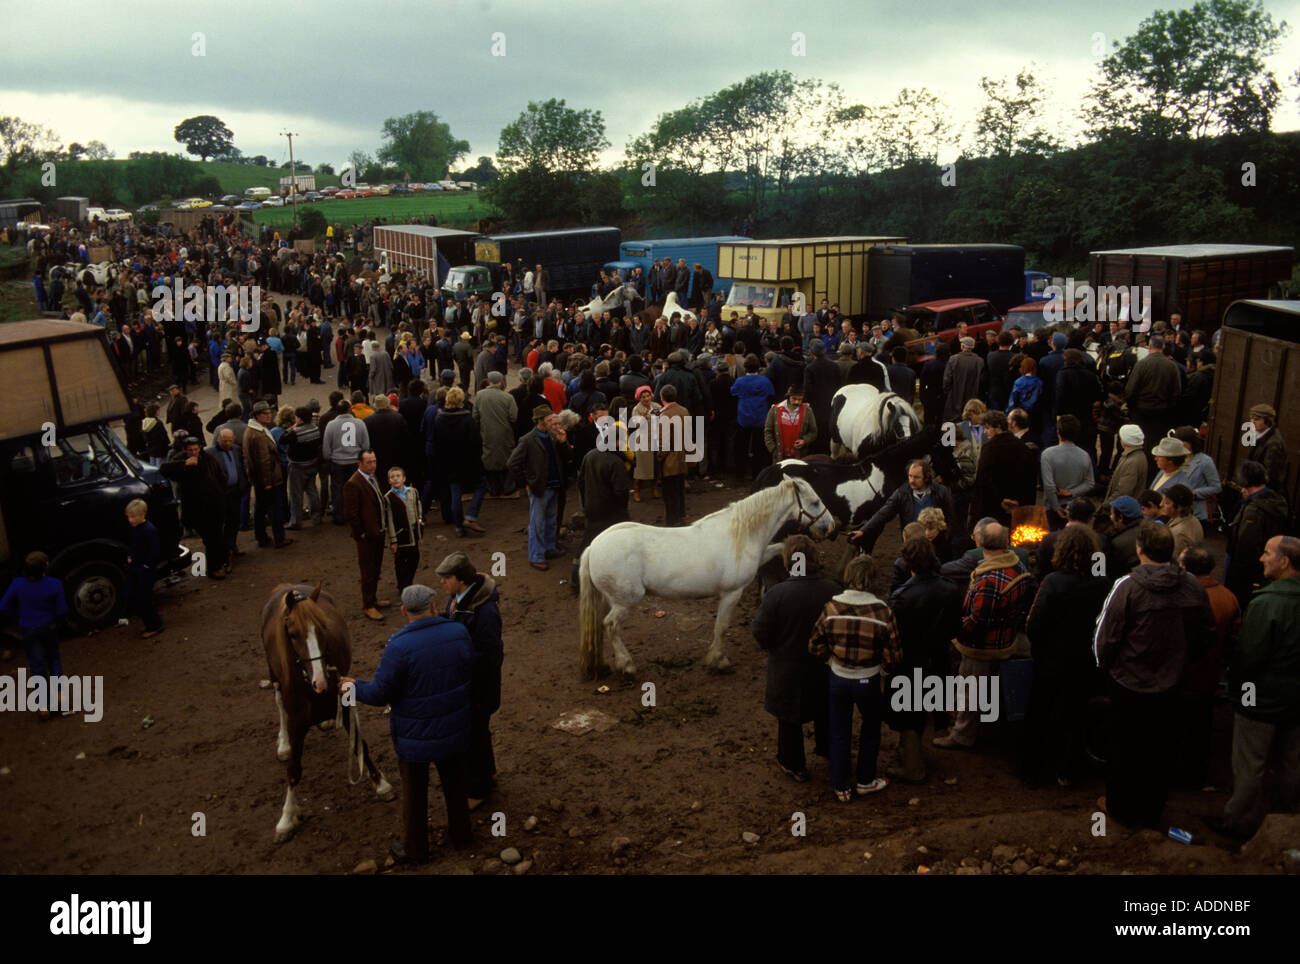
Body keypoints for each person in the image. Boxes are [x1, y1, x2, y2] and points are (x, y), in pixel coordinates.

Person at [340, 584, 473, 865]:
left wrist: (352, 687)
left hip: (415, 738)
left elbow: (379, 694)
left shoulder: (398, 647)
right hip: (455, 727)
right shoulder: (459, 633)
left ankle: (416, 850)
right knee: (455, 785)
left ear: (403, 611)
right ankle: (462, 837)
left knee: (414, 794)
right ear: (434, 607)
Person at [1093, 521, 1214, 828]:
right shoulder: (1192, 586)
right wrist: (1184, 663)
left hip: (1129, 682)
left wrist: (1105, 668)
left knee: (1124, 745)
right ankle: (1151, 808)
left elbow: (1105, 637)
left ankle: (1121, 806)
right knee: (1160, 747)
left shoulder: (1127, 586)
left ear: (1140, 549)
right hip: (1172, 682)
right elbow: (1205, 634)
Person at [1209, 536, 1300, 840]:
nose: (1262, 558)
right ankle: (1285, 821)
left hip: (1261, 700)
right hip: (1295, 701)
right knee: (1291, 762)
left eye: (1267, 553)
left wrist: (1240, 696)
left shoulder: (1267, 603)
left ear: (1284, 562)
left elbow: (1249, 657)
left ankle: (1240, 822)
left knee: (1250, 763)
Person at [934, 522, 1036, 749]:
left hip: (981, 645)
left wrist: (957, 630)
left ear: (980, 543)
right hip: (1005, 637)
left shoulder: (990, 580)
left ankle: (962, 735)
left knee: (971, 688)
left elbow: (977, 621)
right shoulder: (1018, 565)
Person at [1021, 526, 1109, 787]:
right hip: (1084, 660)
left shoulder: (1053, 582)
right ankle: (1068, 770)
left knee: (1040, 712)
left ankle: (1033, 771)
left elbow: (1035, 624)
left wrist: (1039, 648)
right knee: (1075, 714)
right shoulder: (1102, 584)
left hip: (1052, 660)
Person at [809, 555, 901, 802]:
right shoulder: (883, 612)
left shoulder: (831, 609)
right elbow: (893, 653)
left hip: (838, 679)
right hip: (868, 681)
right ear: (873, 580)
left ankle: (840, 785)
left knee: (839, 731)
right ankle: (865, 781)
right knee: (871, 729)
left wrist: (831, 661)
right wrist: (882, 670)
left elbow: (815, 644)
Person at [751, 537, 840, 782]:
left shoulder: (777, 594)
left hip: (787, 667)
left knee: (789, 719)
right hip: (824, 666)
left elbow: (759, 631)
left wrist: (774, 648)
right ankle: (828, 749)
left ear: (789, 561)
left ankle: (793, 764)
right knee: (825, 711)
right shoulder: (833, 590)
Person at [887, 536, 962, 782]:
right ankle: (912, 754)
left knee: (909, 715)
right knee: (923, 711)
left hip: (909, 663)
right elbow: (955, 629)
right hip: (939, 659)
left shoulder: (901, 596)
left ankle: (913, 768)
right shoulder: (951, 589)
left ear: (908, 562)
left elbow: (894, 635)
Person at [436, 551, 503, 810]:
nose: (442, 582)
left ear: (461, 580)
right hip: (467, 686)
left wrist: (458, 660)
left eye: (446, 578)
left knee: (474, 737)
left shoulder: (484, 612)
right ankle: (487, 774)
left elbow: (490, 655)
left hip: (478, 689)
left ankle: (479, 789)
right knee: (477, 735)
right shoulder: (459, 600)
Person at [1177, 545, 1240, 789]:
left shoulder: (1184, 597)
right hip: (1210, 675)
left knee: (1179, 727)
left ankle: (1180, 776)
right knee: (1202, 726)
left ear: (1185, 568)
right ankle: (1198, 775)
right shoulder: (1228, 596)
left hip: (1182, 676)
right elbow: (1235, 638)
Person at [0, 552, 69, 720]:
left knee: (37, 665)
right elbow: (62, 610)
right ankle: (60, 696)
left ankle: (43, 705)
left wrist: (18, 618)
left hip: (28, 628)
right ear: (45, 567)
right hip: (49, 626)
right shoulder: (55, 584)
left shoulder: (17, 584)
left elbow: (3, 606)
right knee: (53, 660)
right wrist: (54, 620)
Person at [572, 411, 632, 587]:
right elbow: (621, 492)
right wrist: (622, 512)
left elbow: (581, 482)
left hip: (592, 507)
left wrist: (585, 503)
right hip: (611, 512)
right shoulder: (615, 462)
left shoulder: (590, 455)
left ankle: (576, 578)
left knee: (587, 543)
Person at [507, 406, 570, 571]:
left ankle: (550, 548)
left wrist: (563, 442)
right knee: (537, 524)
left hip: (554, 485)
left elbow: (565, 457)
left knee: (551, 521)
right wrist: (526, 483)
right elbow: (513, 463)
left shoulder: (552, 436)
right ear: (540, 421)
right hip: (539, 488)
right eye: (549, 421)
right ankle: (536, 556)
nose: (553, 423)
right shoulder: (528, 440)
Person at [851, 459, 956, 555]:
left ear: (926, 477)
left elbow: (951, 519)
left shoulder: (942, 492)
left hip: (937, 546)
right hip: (912, 545)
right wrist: (864, 530)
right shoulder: (902, 493)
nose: (911, 480)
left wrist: (945, 539)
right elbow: (883, 513)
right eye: (910, 476)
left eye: (916, 477)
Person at [1224, 460, 1290, 609]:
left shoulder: (1253, 510)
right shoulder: (1275, 500)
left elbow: (1245, 546)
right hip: (1266, 565)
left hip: (1245, 571)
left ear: (1244, 481)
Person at [159, 436, 226, 580]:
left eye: (196, 449)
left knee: (215, 538)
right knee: (209, 539)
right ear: (185, 450)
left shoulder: (207, 458)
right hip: (197, 509)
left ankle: (216, 565)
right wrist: (184, 464)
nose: (194, 452)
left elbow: (219, 475)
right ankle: (211, 569)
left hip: (213, 505)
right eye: (190, 450)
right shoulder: (180, 460)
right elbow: (163, 469)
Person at [344, 450, 392, 621]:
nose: (373, 465)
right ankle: (368, 605)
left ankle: (373, 599)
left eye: (374, 461)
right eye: (368, 462)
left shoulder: (372, 477)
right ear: (359, 464)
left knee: (376, 568)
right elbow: (352, 514)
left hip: (377, 532)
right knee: (368, 571)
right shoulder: (354, 484)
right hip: (367, 536)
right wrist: (361, 534)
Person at [433, 388, 488, 538]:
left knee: (455, 492)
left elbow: (436, 443)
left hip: (449, 462)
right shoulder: (467, 420)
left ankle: (458, 525)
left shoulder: (439, 419)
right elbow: (476, 442)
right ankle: (470, 516)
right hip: (468, 461)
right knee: (482, 485)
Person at [969, 410, 1036, 529]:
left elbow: (983, 479)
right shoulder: (1022, 447)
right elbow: (1029, 479)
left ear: (998, 427)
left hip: (991, 511)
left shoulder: (989, 448)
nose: (985, 432)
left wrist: (1000, 500)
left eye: (987, 428)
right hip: (1017, 509)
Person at [244, 401, 293, 550]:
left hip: (261, 479)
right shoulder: (258, 435)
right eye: (265, 413)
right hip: (269, 479)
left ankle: (261, 537)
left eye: (269, 413)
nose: (269, 415)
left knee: (260, 508)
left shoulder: (253, 430)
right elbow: (264, 460)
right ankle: (279, 538)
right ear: (257, 415)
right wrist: (268, 482)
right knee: (274, 509)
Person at [1040, 414, 1095, 530]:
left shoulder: (1047, 454)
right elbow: (1090, 483)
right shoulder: (1084, 455)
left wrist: (1056, 507)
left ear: (1058, 432)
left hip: (1052, 507)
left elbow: (1049, 485)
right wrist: (1071, 492)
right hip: (1075, 507)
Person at [322, 400, 369, 526]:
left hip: (337, 462)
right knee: (357, 489)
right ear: (349, 409)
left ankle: (339, 516)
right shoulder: (360, 423)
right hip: (354, 461)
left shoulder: (331, 425)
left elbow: (326, 447)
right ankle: (356, 514)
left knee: (337, 490)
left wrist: (329, 457)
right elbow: (366, 445)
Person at [123, 499, 163, 639]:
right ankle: (149, 622)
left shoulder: (149, 530)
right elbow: (134, 546)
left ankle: (155, 625)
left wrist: (146, 566)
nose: (131, 520)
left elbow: (154, 552)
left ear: (143, 514)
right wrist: (131, 557)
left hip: (145, 570)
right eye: (129, 517)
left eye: (133, 517)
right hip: (136, 567)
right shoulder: (136, 529)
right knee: (134, 596)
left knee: (144, 599)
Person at [731, 354, 775, 479]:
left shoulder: (740, 381)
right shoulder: (765, 381)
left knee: (741, 447)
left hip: (743, 417)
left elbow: (733, 392)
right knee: (759, 448)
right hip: (760, 418)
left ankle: (740, 474)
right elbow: (771, 394)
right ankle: (757, 474)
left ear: (746, 367)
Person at [656, 384, 690, 526]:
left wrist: (659, 458)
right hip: (682, 456)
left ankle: (672, 521)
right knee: (679, 489)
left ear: (662, 397)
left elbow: (663, 443)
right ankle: (681, 516)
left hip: (670, 460)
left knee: (670, 493)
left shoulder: (665, 415)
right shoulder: (684, 410)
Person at [385, 466, 423, 592]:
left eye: (398, 476)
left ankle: (408, 581)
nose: (395, 479)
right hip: (401, 536)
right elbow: (389, 519)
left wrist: (420, 520)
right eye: (392, 477)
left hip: (414, 533)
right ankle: (403, 586)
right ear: (389, 481)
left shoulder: (413, 491)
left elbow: (418, 505)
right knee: (401, 562)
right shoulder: (388, 497)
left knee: (415, 558)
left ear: (404, 478)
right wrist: (393, 539)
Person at [764, 385, 817, 462]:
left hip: (800, 456)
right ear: (788, 397)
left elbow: (813, 432)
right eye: (794, 398)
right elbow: (768, 431)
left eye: (800, 399)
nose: (797, 402)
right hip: (780, 457)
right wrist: (773, 450)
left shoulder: (807, 411)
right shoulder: (775, 410)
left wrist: (804, 440)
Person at [1245, 403, 1289, 494]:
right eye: (1252, 418)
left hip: (1264, 495)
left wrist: (1252, 490)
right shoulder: (1260, 435)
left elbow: (1271, 476)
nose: (1252, 422)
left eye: (1257, 419)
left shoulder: (1274, 444)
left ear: (1268, 421)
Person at [1104, 425, 1147, 503]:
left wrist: (1106, 505)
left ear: (1124, 441)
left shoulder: (1132, 462)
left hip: (1123, 509)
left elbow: (1123, 491)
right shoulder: (1134, 456)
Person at [1160, 483, 1203, 561]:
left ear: (1179, 507)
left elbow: (1173, 561)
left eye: (1167, 503)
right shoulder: (1191, 518)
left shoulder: (1179, 533)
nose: (1161, 504)